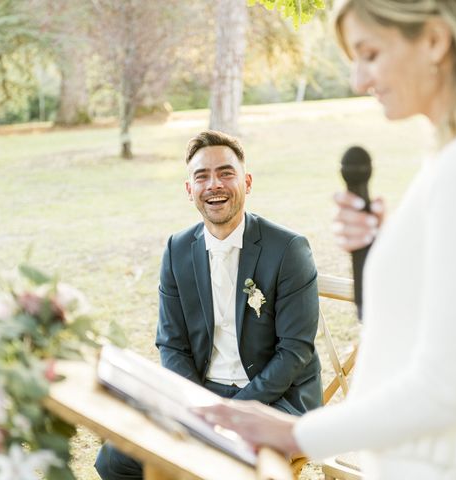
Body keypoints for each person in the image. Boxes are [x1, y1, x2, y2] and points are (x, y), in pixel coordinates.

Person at [197, 1, 456, 479]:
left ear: (436, 40)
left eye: (370, 54)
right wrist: (385, 257)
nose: (359, 80)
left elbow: (446, 389)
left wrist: (294, 434)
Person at [95, 130, 323, 480]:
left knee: (225, 466)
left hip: (277, 399)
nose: (214, 184)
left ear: (246, 181)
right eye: (202, 176)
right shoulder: (176, 249)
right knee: (115, 459)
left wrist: (233, 413)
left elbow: (294, 351)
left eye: (226, 173)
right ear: (190, 191)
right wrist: (197, 407)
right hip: (201, 395)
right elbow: (171, 344)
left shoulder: (288, 249)